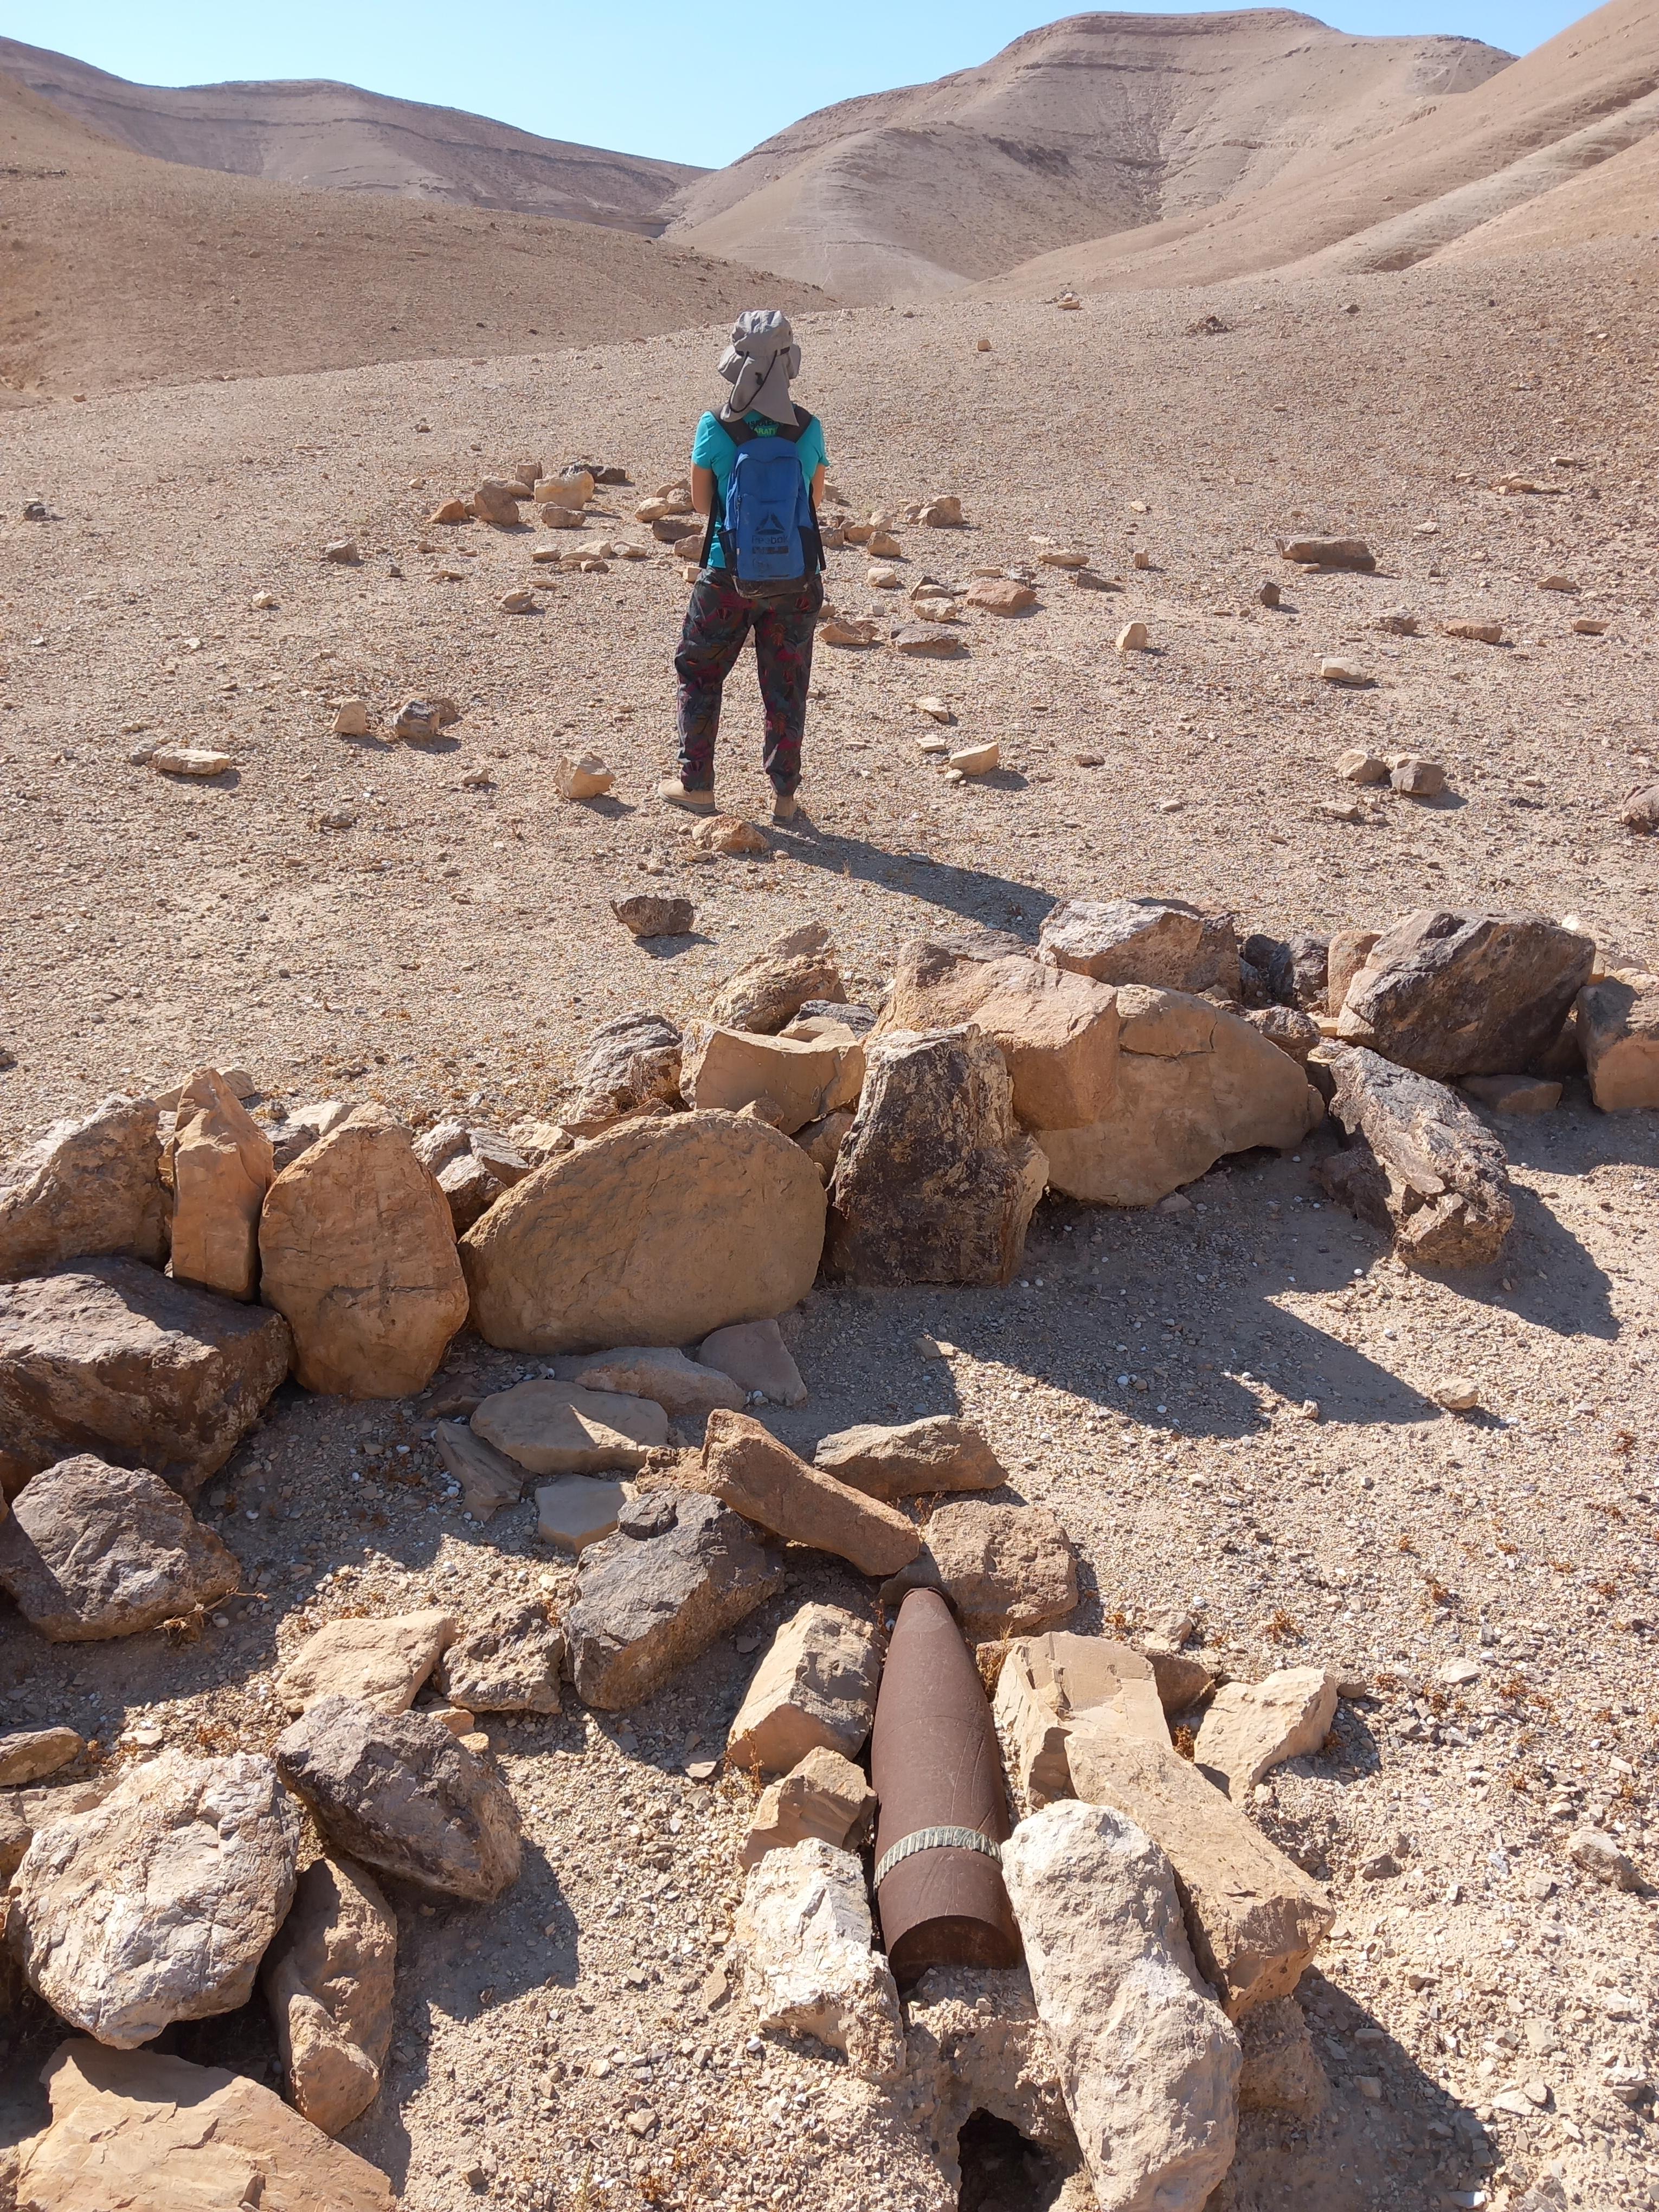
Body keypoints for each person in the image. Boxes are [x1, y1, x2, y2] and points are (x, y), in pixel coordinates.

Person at [659, 309, 827, 826]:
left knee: (700, 672)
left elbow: (700, 504)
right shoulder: (808, 427)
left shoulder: (715, 426)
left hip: (726, 576)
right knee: (786, 683)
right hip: (795, 578)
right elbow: (814, 501)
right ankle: (785, 797)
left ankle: (697, 787)